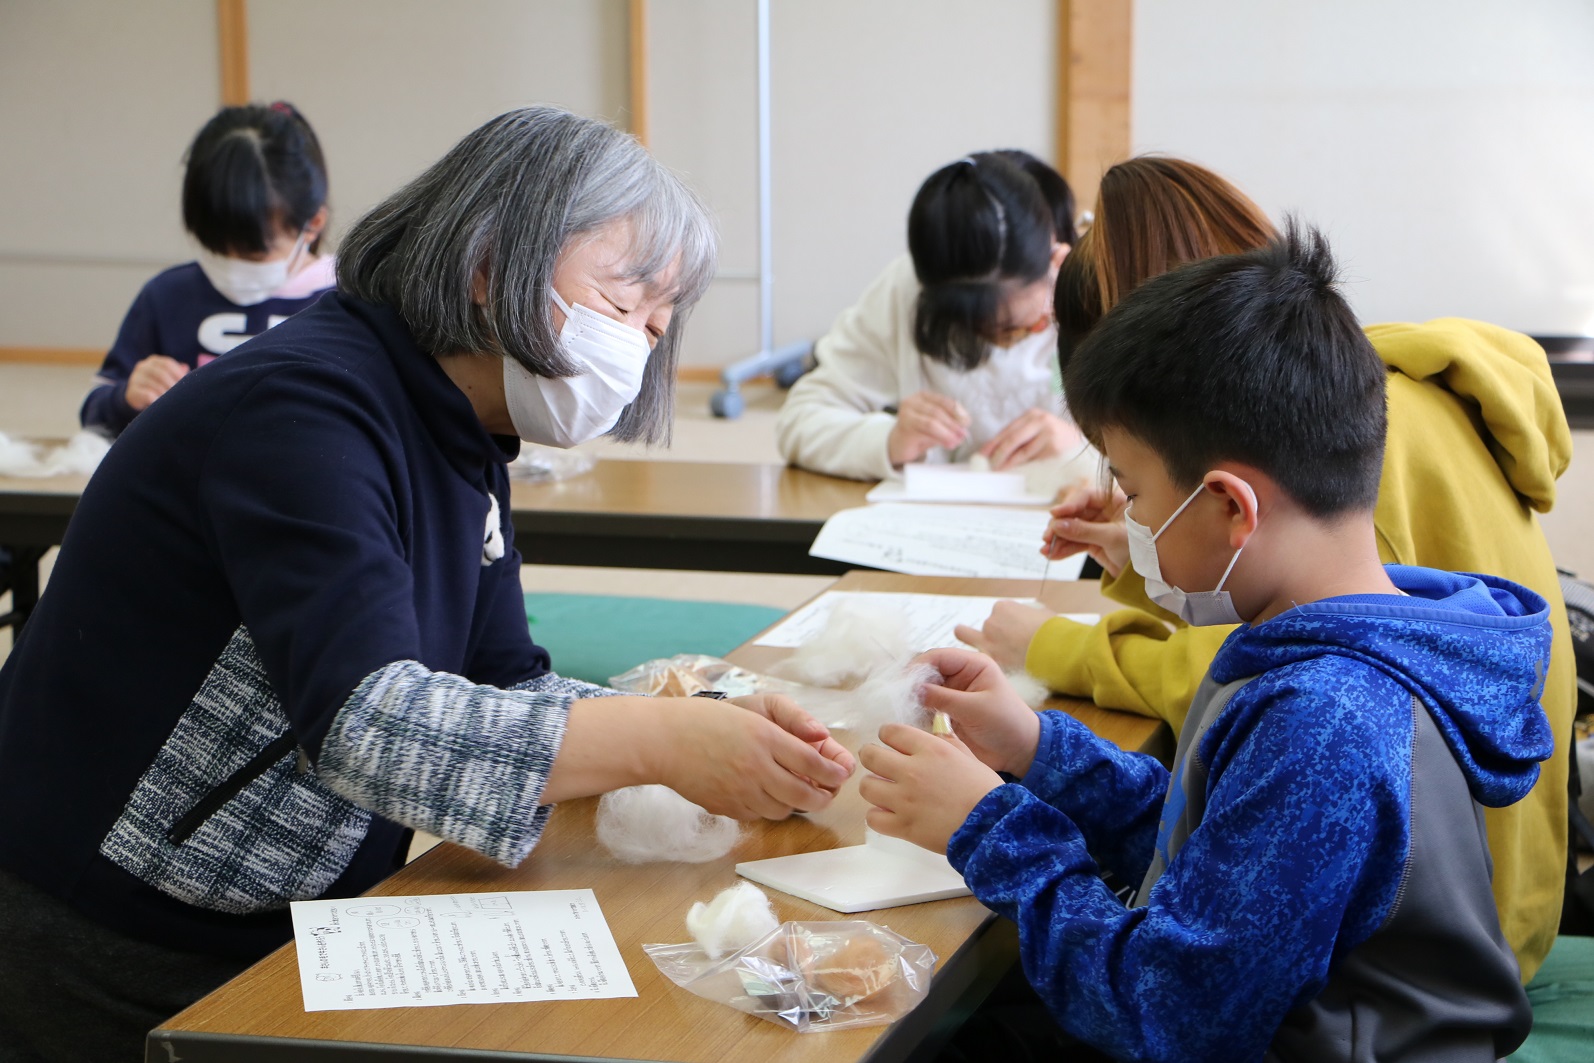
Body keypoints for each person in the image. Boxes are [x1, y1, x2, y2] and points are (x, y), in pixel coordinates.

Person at [0, 106, 855, 1061]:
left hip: (282, 908)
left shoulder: (460, 427)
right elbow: (365, 723)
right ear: (489, 268)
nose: (641, 349)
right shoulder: (303, 410)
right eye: (623, 309)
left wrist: (715, 726)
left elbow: (503, 678)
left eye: (658, 327)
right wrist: (661, 739)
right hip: (113, 927)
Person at [862, 226, 1554, 1061]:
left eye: (1134, 488)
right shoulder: (1341, 638)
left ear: (1230, 505)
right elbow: (1224, 852)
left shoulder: (1326, 718)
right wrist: (1038, 747)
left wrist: (985, 827)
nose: (1130, 518)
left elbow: (1168, 1016)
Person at [775, 150, 1082, 479]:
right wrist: (888, 441)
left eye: (1021, 328)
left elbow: (1142, 454)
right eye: (981, 331)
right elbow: (800, 421)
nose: (1004, 344)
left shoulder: (1097, 282)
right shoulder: (905, 291)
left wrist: (1082, 449)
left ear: (1056, 258)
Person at [80, 102, 337, 437]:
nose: (232, 263)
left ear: (313, 223)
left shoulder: (348, 298)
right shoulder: (168, 295)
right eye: (216, 247)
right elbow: (93, 412)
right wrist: (125, 396)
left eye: (254, 251)